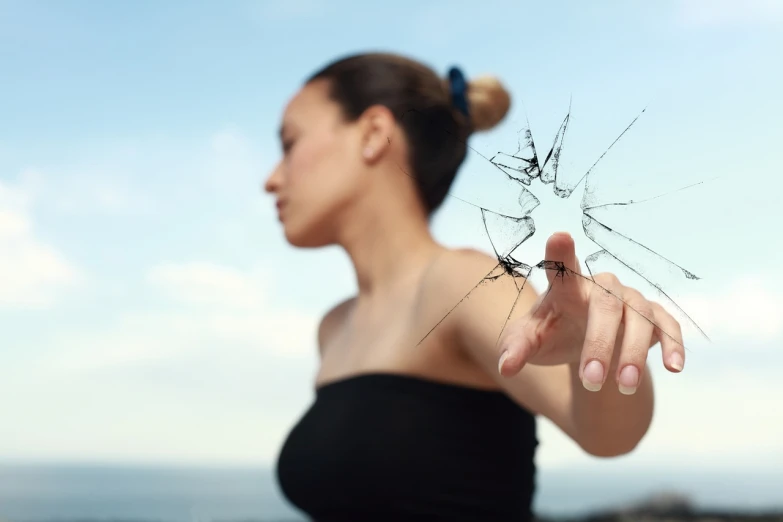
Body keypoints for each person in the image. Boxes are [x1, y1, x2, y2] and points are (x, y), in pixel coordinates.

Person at [265, 52, 685, 522]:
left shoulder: (460, 283)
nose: (271, 179)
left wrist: (591, 348)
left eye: (289, 143)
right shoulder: (334, 326)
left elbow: (606, 435)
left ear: (373, 134)